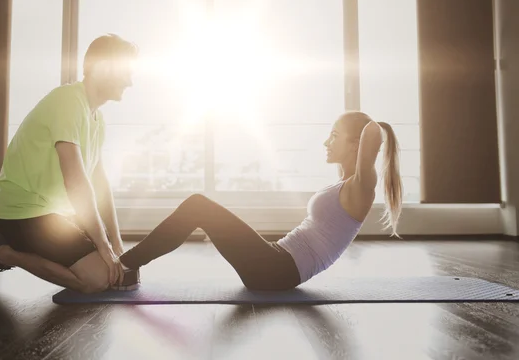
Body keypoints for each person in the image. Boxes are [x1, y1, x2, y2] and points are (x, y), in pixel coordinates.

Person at [116, 111, 403, 290]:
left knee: (197, 205)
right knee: (200, 207)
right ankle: (128, 265)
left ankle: (124, 266)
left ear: (356, 144)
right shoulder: (345, 184)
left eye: (334, 136)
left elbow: (373, 132)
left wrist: (373, 124)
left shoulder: (362, 186)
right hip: (275, 261)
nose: (326, 143)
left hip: (277, 271)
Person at [0, 33, 141, 293]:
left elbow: (100, 186)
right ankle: (2, 251)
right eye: (125, 72)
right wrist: (103, 246)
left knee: (107, 265)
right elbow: (76, 182)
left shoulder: (96, 120)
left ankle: (11, 247)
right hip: (23, 211)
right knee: (98, 279)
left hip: (53, 214)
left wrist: (116, 244)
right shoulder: (68, 101)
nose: (130, 82)